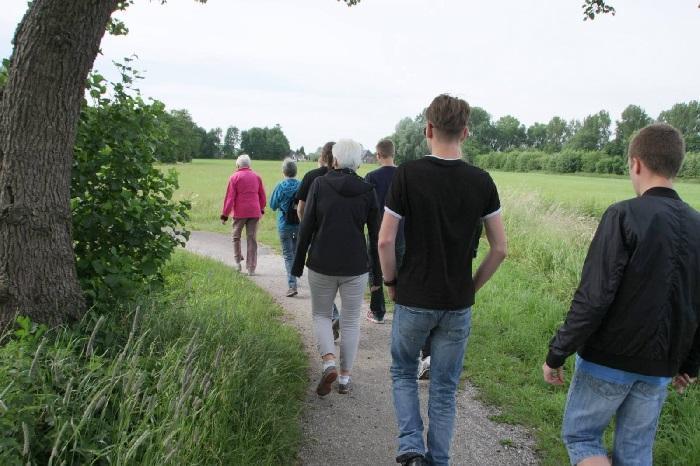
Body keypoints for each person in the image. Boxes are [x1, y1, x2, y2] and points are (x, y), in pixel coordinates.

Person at [542, 123, 700, 466]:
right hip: (660, 366)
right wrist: (690, 363)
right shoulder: (697, 224)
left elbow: (594, 296)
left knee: (583, 437)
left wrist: (557, 352)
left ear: (636, 163)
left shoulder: (623, 214)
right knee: (636, 451)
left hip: (608, 357)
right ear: (677, 165)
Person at [378, 94, 507, 466]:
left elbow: (385, 240)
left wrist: (391, 283)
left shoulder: (407, 174)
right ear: (465, 133)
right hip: (456, 302)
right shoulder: (482, 181)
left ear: (428, 129)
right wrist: (471, 287)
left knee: (403, 372)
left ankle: (411, 448)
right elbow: (499, 248)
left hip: (414, 295)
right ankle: (438, 460)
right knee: (445, 389)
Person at [292, 139, 381, 396]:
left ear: (335, 159)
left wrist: (297, 265)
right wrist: (377, 276)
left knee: (321, 315)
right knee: (351, 321)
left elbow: (306, 226)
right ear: (359, 161)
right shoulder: (368, 190)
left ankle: (328, 361)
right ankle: (344, 378)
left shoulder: (320, 184)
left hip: (321, 262)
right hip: (355, 266)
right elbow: (374, 237)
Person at [297, 141, 340, 336]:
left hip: (316, 234)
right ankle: (336, 315)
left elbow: (301, 208)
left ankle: (332, 314)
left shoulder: (311, 176)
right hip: (339, 234)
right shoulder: (345, 177)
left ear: (322, 156)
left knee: (321, 280)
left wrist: (307, 226)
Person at [364, 138, 404, 324]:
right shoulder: (404, 175)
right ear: (393, 153)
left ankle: (377, 311)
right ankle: (402, 312)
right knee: (402, 272)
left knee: (375, 272)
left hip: (377, 232)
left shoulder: (371, 177)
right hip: (402, 233)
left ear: (378, 155)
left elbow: (365, 208)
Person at [220, 154, 266, 276]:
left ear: (238, 165)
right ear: (249, 165)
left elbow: (230, 198)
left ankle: (237, 263)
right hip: (254, 212)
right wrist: (261, 208)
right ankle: (251, 268)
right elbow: (262, 196)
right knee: (252, 239)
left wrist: (225, 215)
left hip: (240, 213)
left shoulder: (234, 177)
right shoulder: (257, 177)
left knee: (236, 237)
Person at [270, 158, 301, 297]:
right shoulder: (301, 185)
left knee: (288, 255)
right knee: (294, 253)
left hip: (284, 224)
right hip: (299, 224)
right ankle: (294, 278)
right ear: (295, 171)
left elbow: (272, 205)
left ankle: (292, 285)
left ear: (284, 171)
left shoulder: (280, 186)